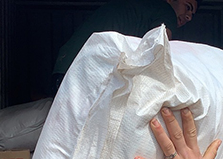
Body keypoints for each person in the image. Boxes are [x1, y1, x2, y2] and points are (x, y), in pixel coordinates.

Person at [52, 0, 199, 92]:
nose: (189, 16)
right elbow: (159, 51)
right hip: (90, 74)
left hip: (66, 68)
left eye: (192, 14)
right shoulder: (166, 10)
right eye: (188, 7)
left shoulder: (139, 7)